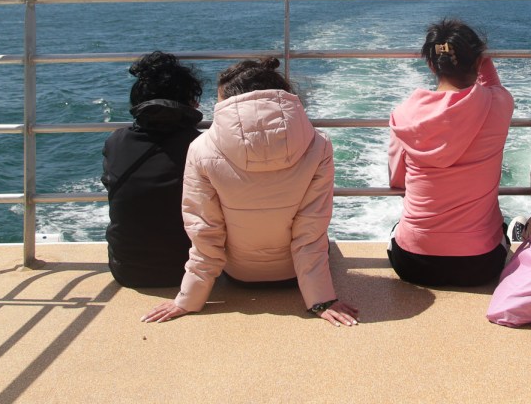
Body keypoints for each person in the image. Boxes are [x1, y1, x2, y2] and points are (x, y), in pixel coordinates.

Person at [142, 58, 358, 327]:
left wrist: (188, 299)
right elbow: (311, 229)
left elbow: (205, 231)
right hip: (294, 276)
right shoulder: (319, 144)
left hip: (238, 276)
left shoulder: (200, 149)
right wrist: (321, 299)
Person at [387, 19, 514, 286]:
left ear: (431, 65)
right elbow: (493, 86)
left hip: (411, 262)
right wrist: (483, 61)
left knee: (397, 230)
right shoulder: (499, 104)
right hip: (480, 264)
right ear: (478, 62)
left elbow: (397, 181)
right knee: (503, 230)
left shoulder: (403, 116)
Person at [102, 51, 204, 288]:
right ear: (191, 103)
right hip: (190, 271)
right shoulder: (201, 146)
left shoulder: (116, 142)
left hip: (127, 270)